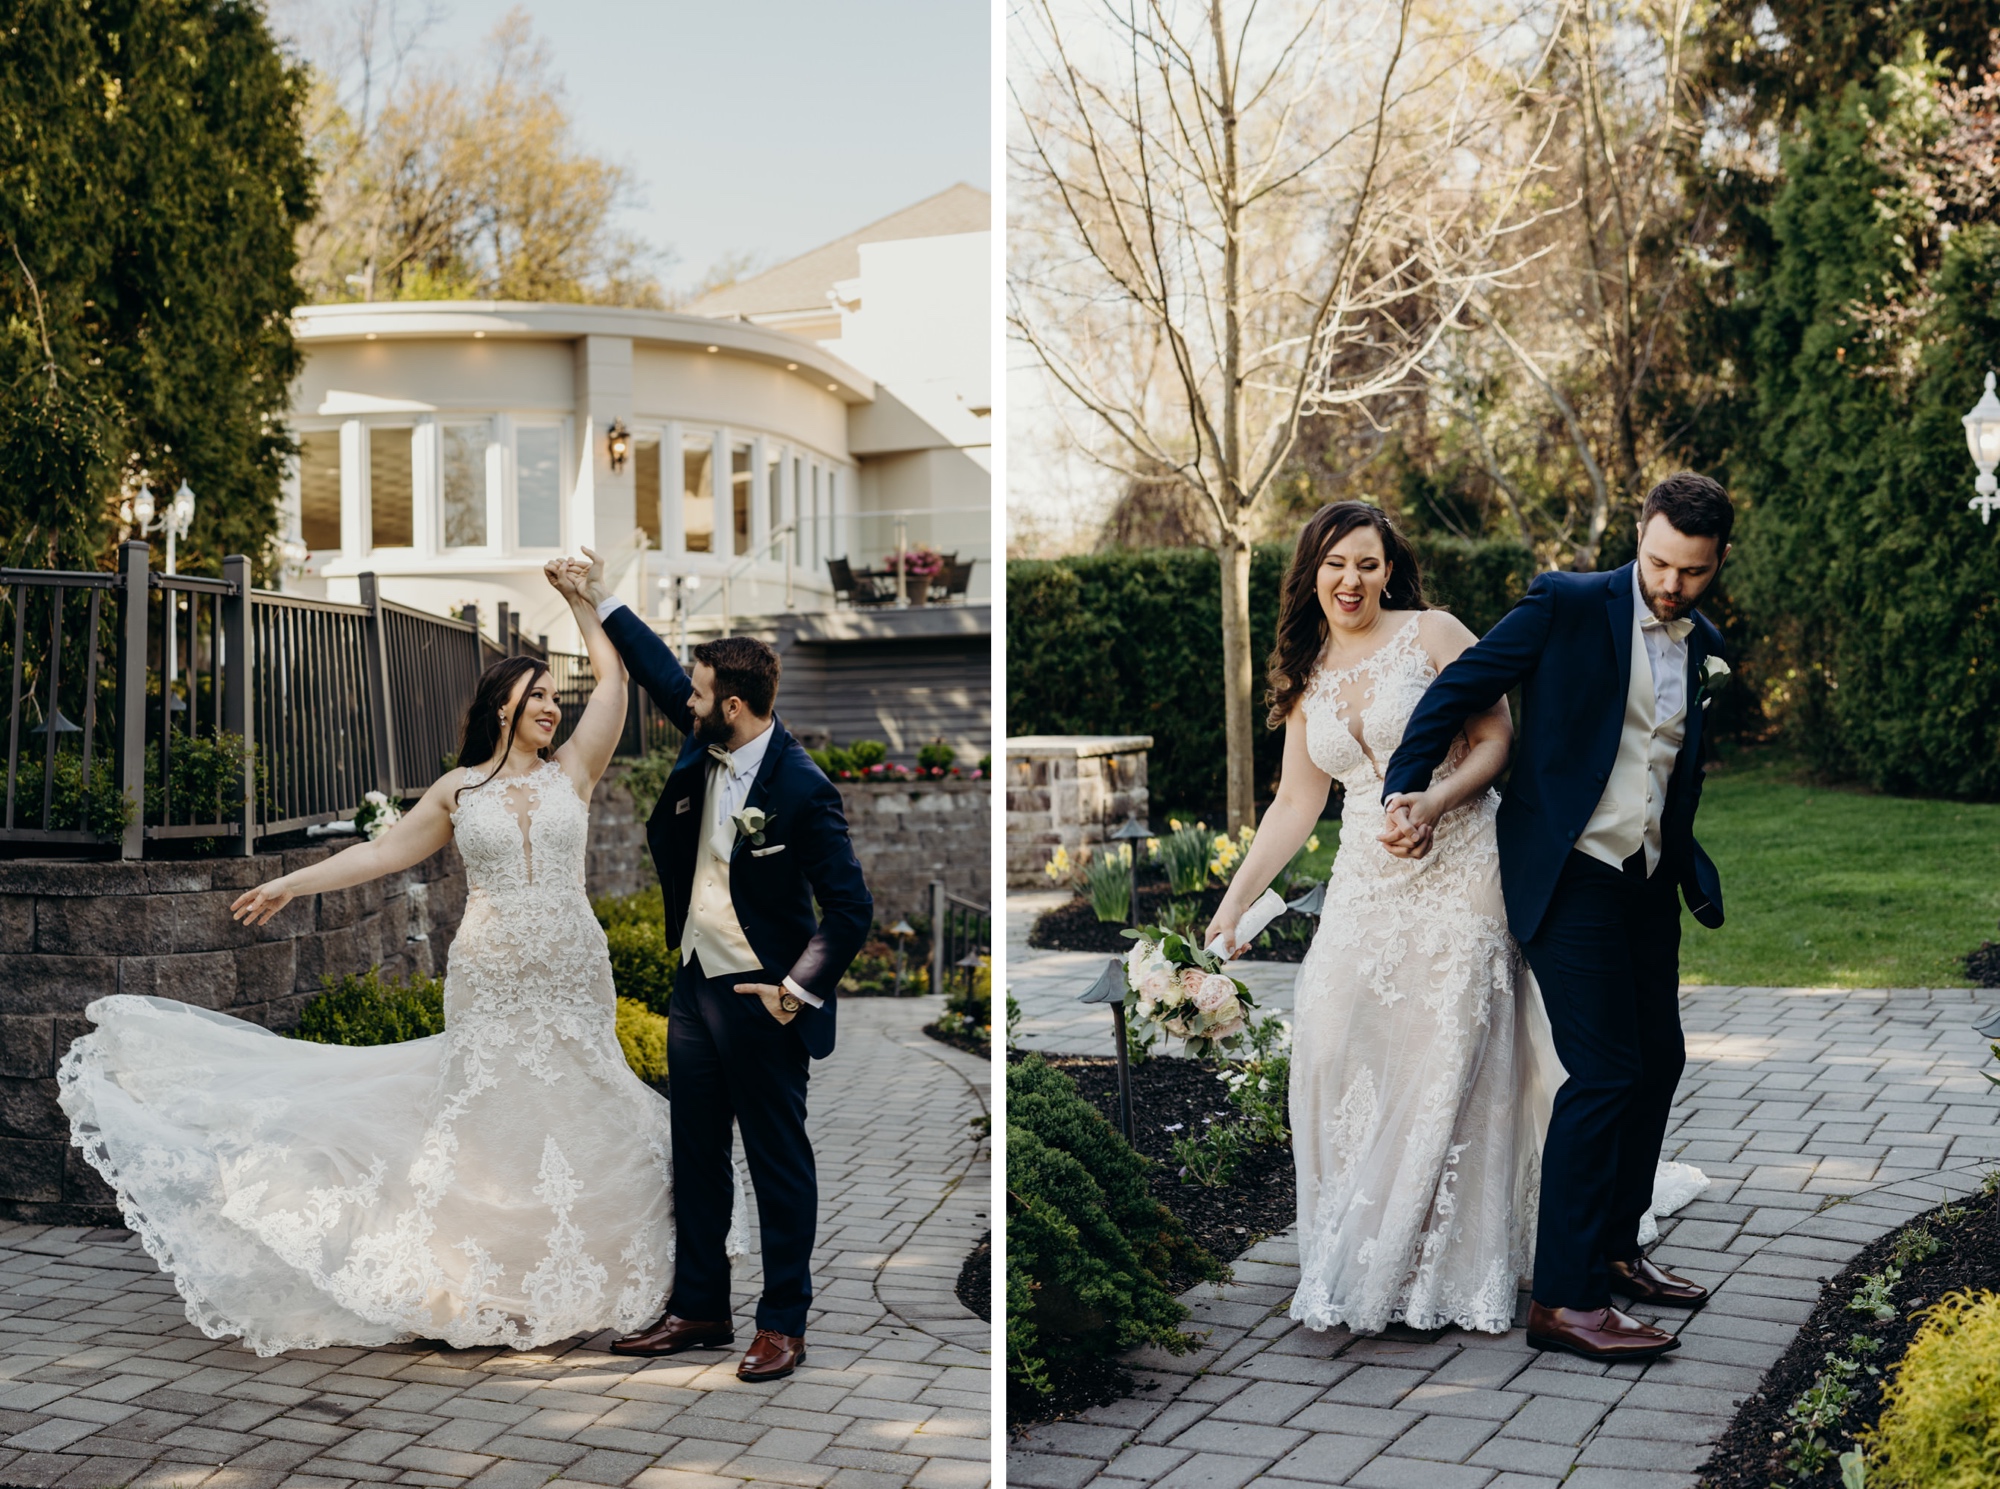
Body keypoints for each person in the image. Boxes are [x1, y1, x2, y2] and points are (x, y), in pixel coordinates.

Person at [56, 558, 716, 1356]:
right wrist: (293, 881)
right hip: (491, 979)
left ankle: (576, 1276)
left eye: (552, 696)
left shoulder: (573, 771)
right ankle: (475, 1279)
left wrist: (582, 601)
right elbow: (381, 853)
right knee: (491, 1123)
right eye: (536, 694)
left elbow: (611, 683)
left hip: (574, 972)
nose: (551, 706)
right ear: (502, 704)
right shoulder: (459, 790)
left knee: (581, 1110)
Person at [1207, 486, 1721, 1357]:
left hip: (1507, 869)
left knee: (1589, 1061)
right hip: (1399, 872)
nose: (1352, 577)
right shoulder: (1312, 671)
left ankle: (1565, 1252)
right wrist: (1227, 914)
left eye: (1367, 562)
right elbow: (1301, 798)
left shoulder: (1443, 628)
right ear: (1313, 573)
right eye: (1335, 563)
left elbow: (1502, 736)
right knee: (1344, 1047)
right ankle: (1435, 1258)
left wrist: (1431, 800)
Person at [1380, 472, 1732, 1363]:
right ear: (1639, 535)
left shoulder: (1708, 643)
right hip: (1564, 874)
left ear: (1717, 561)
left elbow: (1669, 768)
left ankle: (1615, 1248)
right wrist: (1404, 788)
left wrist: (1682, 859)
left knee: (1660, 1058)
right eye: (1658, 562)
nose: (1670, 585)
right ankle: (1566, 1300)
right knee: (1606, 1071)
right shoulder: (1567, 604)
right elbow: (1459, 686)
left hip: (1644, 881)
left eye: (1691, 572)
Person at [574, 547, 872, 1384]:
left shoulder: (804, 788)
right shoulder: (713, 731)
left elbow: (851, 910)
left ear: (733, 707)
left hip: (763, 997)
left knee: (778, 1160)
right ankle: (700, 1306)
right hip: (693, 984)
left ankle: (783, 1321)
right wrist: (599, 598)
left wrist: (796, 988)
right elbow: (663, 670)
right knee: (695, 1151)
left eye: (702, 696)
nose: (687, 702)